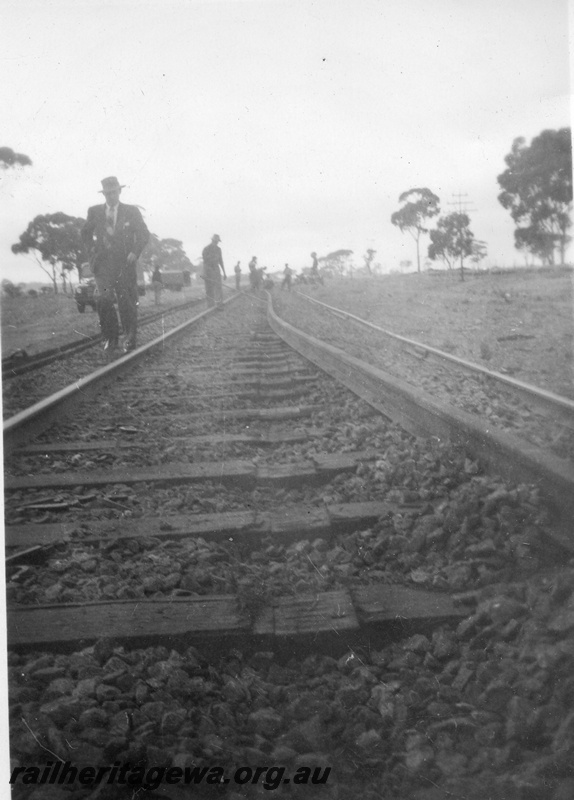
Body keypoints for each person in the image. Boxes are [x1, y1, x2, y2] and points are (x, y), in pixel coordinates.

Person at [81, 176, 149, 354]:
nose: (111, 196)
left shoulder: (131, 211)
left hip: (124, 264)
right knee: (103, 299)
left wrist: (135, 251)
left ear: (119, 191)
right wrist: (92, 252)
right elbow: (85, 233)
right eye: (107, 193)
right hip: (103, 266)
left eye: (114, 192)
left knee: (126, 300)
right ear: (104, 194)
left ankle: (129, 337)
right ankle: (110, 339)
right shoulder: (94, 211)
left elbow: (143, 233)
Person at [202, 234, 226, 309]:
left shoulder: (219, 249)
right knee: (209, 288)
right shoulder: (206, 249)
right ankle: (210, 306)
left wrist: (224, 272)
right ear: (212, 240)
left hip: (216, 269)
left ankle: (219, 304)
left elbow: (221, 261)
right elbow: (205, 261)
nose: (216, 243)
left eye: (217, 241)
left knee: (218, 287)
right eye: (215, 241)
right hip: (208, 269)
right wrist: (205, 272)